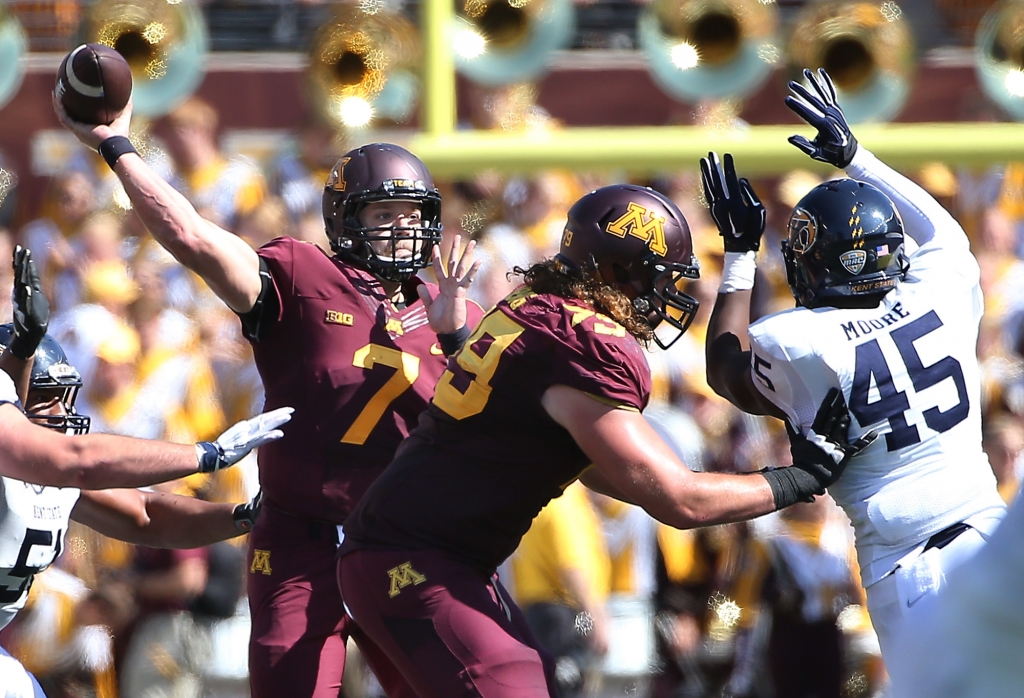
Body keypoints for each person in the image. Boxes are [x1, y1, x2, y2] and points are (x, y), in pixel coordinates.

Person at [335, 182, 874, 698]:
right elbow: (679, 499)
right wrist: (800, 478)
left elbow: (582, 462)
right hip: (416, 564)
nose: (667, 294)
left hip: (406, 558)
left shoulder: (532, 312)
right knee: (516, 678)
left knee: (532, 675)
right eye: (661, 278)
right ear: (624, 272)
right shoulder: (584, 344)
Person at [54, 95, 485, 698]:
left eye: (411, 213)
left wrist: (460, 337)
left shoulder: (455, 312)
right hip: (301, 541)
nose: (401, 228)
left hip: (405, 542)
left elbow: (496, 433)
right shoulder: (301, 274)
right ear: (344, 219)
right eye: (382, 211)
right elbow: (190, 235)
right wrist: (117, 146)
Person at [700, 67, 1007, 684]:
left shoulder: (800, 344)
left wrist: (739, 254)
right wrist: (855, 156)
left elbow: (724, 368)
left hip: (909, 570)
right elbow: (942, 232)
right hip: (995, 540)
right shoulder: (941, 291)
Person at [0, 247, 287, 698]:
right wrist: (204, 454)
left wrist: (244, 515)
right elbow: (77, 457)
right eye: (45, 398)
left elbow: (147, 515)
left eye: (63, 397)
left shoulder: (47, 474)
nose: (61, 412)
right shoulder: (32, 450)